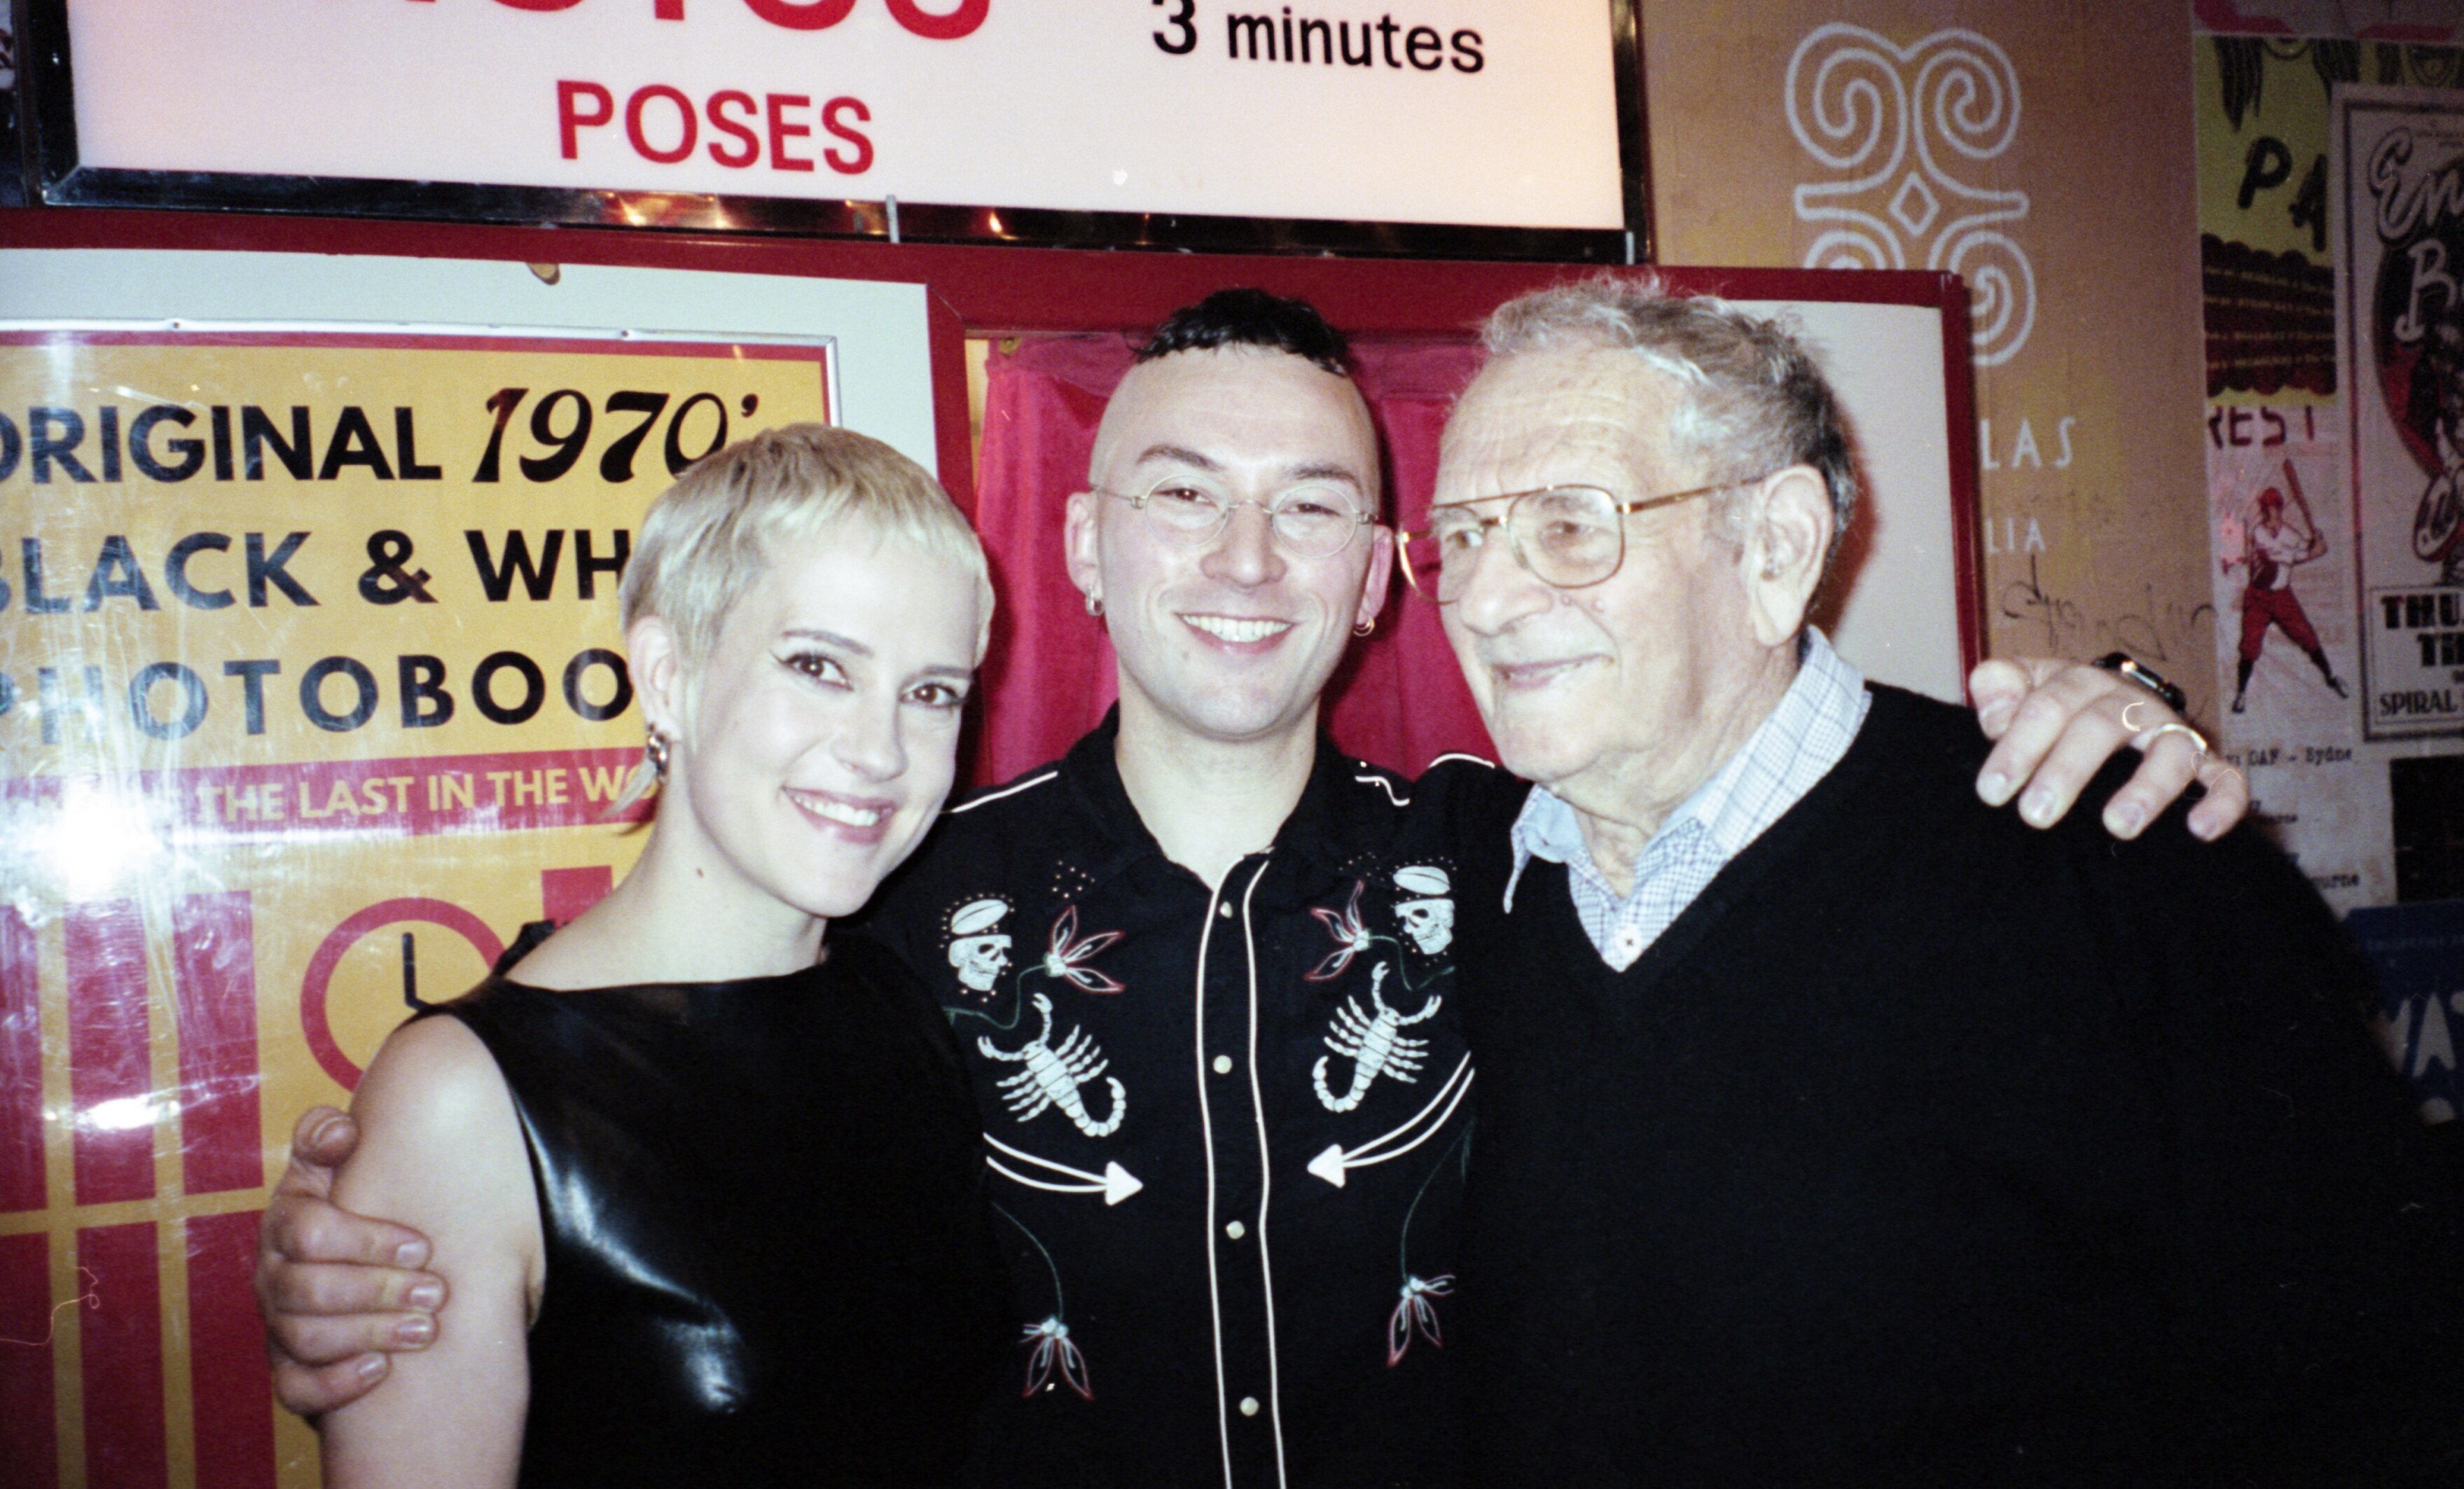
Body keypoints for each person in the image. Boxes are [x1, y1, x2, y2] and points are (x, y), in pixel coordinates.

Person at [256, 291, 2241, 1488]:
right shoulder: (900, 903)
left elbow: (1760, 779)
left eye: (1314, 505)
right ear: (1086, 545)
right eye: (1177, 493)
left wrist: (2105, 714)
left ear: (1383, 576)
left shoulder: (1515, 858)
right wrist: (424, 1180)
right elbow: (657, 1037)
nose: (1240, 556)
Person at [1418, 280, 2459, 1484]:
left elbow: (2377, 1375)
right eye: (1462, 536)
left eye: (1566, 524)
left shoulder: (2111, 855)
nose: (1484, 599)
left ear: (1775, 548)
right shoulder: (1456, 881)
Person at [318, 425, 1011, 1489]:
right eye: (818, 666)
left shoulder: (895, 1000)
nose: (880, 751)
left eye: (931, 692)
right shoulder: (461, 1098)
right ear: (668, 673)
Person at [2223, 481, 2345, 710]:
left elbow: (2312, 553)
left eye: (2275, 506)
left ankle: (2331, 677)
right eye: (2267, 506)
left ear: (2280, 507)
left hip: (2282, 596)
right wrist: (2308, 549)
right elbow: (2278, 556)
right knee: (2250, 647)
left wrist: (2318, 545)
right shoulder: (2258, 532)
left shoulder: (2291, 534)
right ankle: (2241, 694)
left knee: (2307, 637)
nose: (2271, 511)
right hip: (2258, 597)